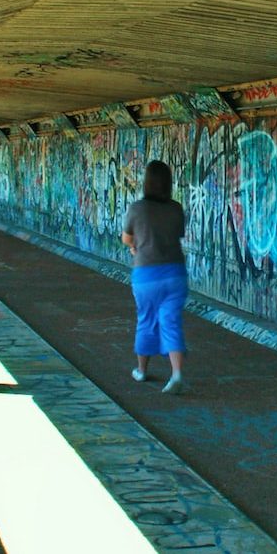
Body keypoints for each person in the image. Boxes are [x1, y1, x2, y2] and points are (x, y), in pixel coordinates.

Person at [121, 160, 188, 394]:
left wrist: (135, 246)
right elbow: (177, 235)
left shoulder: (137, 208)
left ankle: (141, 371)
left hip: (146, 275)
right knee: (171, 321)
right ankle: (177, 373)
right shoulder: (176, 208)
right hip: (175, 274)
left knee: (146, 321)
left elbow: (127, 239)